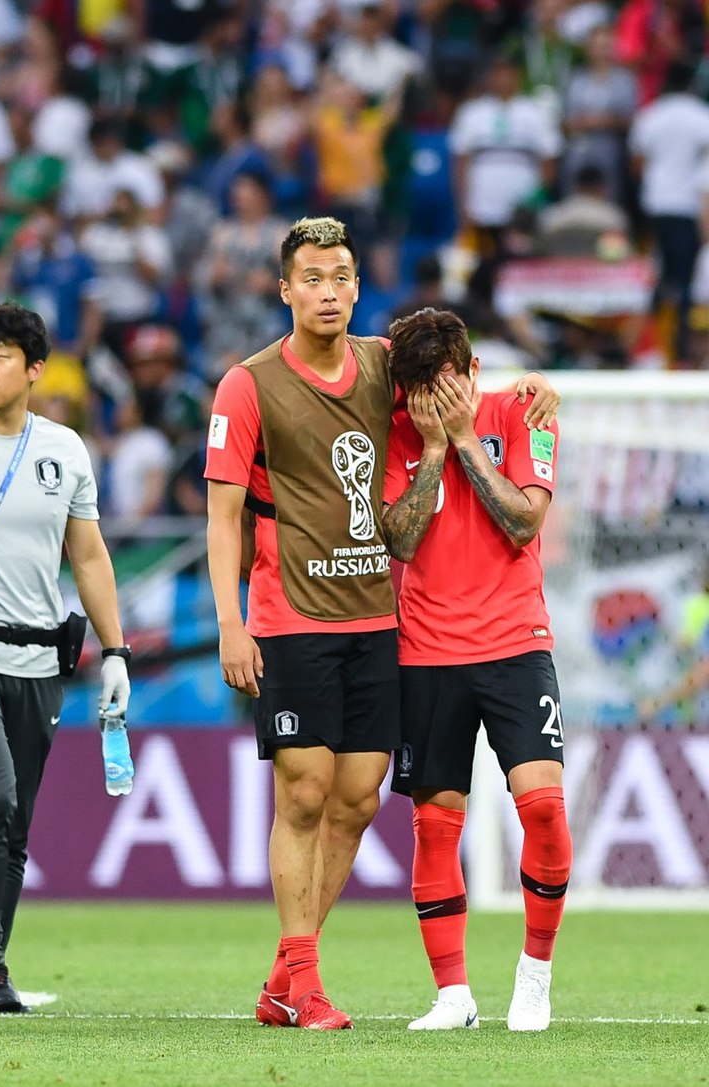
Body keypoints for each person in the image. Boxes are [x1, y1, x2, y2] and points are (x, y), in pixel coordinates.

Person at [203, 217, 558, 1031]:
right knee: (304, 790)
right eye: (312, 278)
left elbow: (463, 383)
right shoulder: (247, 385)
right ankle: (306, 978)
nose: (327, 291)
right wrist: (231, 621)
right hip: (289, 616)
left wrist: (536, 384)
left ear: (358, 286)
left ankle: (282, 978)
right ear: (285, 289)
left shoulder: (381, 365)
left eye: (341, 277)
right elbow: (223, 517)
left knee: (358, 799)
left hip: (374, 619)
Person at [0, 302, 131, 1013]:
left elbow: (88, 554)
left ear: (36, 369)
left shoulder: (66, 449)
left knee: (16, 827)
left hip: (39, 661)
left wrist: (116, 652)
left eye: (0, 355)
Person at [382, 307, 569, 1033]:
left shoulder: (524, 410)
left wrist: (464, 440)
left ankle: (535, 973)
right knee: (434, 826)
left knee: (544, 810)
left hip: (518, 642)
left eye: (445, 384)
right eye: (418, 388)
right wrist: (432, 448)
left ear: (472, 371)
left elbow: (524, 521)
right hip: (427, 650)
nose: (431, 399)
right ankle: (453, 994)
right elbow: (399, 541)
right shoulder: (395, 426)